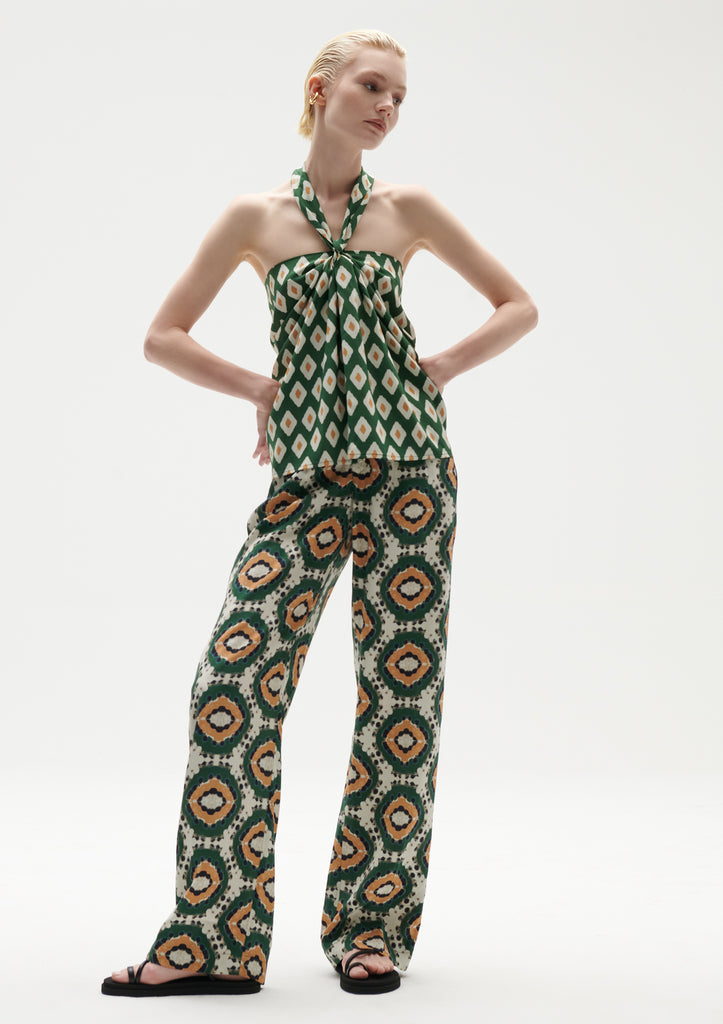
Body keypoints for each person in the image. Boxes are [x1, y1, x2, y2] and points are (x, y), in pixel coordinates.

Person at [101, 27, 538, 998]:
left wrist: (437, 368)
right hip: (303, 483)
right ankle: (212, 941)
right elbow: (163, 337)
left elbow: (517, 305)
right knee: (231, 686)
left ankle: (370, 933)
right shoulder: (254, 219)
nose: (387, 107)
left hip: (412, 476)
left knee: (399, 704)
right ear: (319, 90)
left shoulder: (407, 209)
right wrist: (261, 388)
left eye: (400, 97)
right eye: (373, 87)